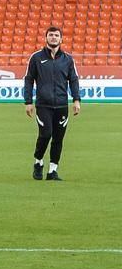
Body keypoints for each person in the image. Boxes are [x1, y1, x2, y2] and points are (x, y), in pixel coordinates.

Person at [24, 26, 81, 181]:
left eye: (56, 35)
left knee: (58, 138)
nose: (54, 37)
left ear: (61, 39)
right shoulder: (36, 57)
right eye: (51, 35)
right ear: (46, 38)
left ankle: (52, 171)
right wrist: (28, 102)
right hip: (43, 105)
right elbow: (29, 79)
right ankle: (38, 162)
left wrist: (76, 100)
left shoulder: (68, 59)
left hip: (62, 105)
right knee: (45, 134)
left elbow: (74, 80)